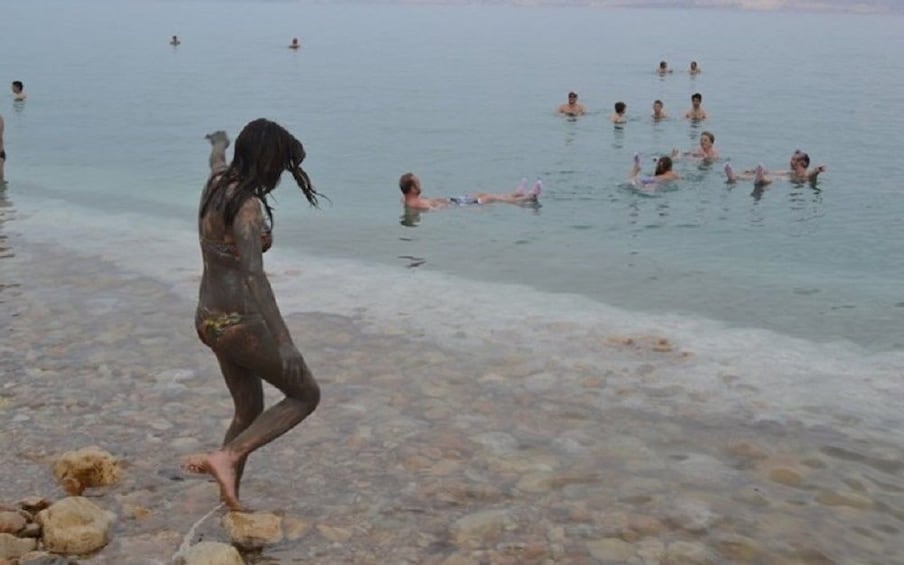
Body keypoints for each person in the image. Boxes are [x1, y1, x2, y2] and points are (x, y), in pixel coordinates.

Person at [180, 119, 323, 511]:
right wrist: (284, 342)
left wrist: (218, 142)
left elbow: (215, 159)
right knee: (305, 395)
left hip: (208, 319)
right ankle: (226, 457)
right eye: (279, 166)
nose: (280, 176)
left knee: (248, 410)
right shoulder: (247, 207)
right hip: (238, 324)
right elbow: (255, 277)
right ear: (266, 162)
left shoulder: (218, 182)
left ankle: (229, 501)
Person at [399, 173, 541, 211]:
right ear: (412, 188)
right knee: (489, 198)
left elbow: (405, 199)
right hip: (456, 205)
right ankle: (528, 197)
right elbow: (435, 209)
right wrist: (438, 204)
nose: (421, 185)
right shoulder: (418, 205)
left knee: (481, 193)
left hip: (453, 200)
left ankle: (516, 193)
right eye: (418, 183)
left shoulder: (406, 199)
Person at [725, 150, 826, 186]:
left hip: (793, 182)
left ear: (803, 162)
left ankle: (760, 178)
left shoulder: (806, 173)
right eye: (791, 159)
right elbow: (773, 172)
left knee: (776, 179)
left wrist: (817, 171)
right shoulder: (791, 172)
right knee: (770, 173)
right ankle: (734, 176)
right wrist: (753, 170)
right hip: (790, 178)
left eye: (795, 160)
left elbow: (812, 174)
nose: (791, 162)